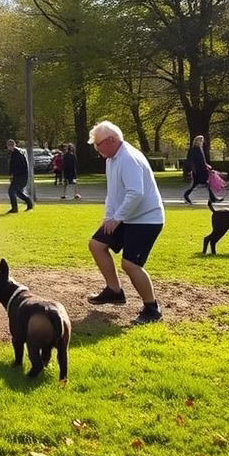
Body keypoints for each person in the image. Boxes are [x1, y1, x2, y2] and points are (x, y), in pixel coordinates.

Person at [86, 121, 165, 325]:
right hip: (127, 216)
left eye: (98, 144)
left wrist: (118, 218)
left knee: (130, 264)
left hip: (147, 219)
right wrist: (108, 217)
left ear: (112, 140)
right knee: (97, 244)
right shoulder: (112, 159)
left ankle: (152, 308)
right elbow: (113, 194)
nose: (96, 149)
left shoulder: (128, 158)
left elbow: (135, 193)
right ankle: (114, 291)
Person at [183, 135, 218, 204]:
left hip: (202, 169)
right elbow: (191, 160)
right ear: (197, 141)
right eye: (201, 140)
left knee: (199, 184)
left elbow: (202, 160)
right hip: (198, 170)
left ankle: (213, 198)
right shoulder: (193, 149)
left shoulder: (200, 149)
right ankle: (213, 198)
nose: (202, 142)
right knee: (206, 184)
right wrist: (192, 170)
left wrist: (206, 165)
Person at [5, 139, 34, 213]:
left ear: (10, 146)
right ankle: (29, 203)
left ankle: (14, 208)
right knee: (17, 192)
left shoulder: (16, 153)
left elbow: (14, 166)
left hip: (20, 176)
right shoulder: (19, 152)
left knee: (11, 191)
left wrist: (12, 175)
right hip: (22, 175)